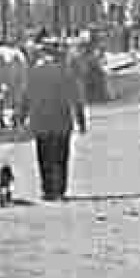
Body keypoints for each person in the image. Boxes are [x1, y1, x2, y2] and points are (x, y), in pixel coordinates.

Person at [25, 39, 87, 202]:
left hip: (40, 120)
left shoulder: (34, 71)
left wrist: (21, 113)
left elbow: (26, 94)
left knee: (44, 155)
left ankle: (47, 189)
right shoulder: (66, 71)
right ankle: (60, 188)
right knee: (61, 156)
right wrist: (80, 119)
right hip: (61, 120)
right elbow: (76, 96)